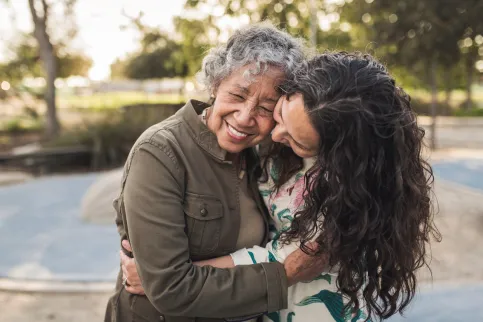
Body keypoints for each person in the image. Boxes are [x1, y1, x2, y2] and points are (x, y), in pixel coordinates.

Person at [122, 52, 441, 321]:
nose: (275, 137)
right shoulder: (168, 149)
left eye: (295, 140)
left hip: (312, 306)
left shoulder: (350, 187)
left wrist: (165, 277)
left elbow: (291, 259)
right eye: (281, 114)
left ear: (335, 151)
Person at [104, 24, 327, 322]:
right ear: (215, 84)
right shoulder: (159, 153)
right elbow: (171, 291)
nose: (245, 117)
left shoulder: (265, 157)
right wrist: (284, 275)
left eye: (265, 107)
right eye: (237, 95)